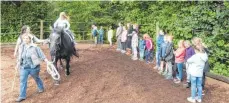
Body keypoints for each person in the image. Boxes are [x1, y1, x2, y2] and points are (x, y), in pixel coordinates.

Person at [15, 34, 50, 102]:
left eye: (27, 38)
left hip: (34, 67)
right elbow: (19, 57)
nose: (25, 40)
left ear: (30, 39)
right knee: (22, 81)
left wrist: (47, 62)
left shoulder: (35, 47)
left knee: (36, 78)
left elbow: (42, 55)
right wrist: (17, 64)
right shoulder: (21, 47)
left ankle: (41, 87)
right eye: (24, 38)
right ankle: (22, 96)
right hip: (24, 67)